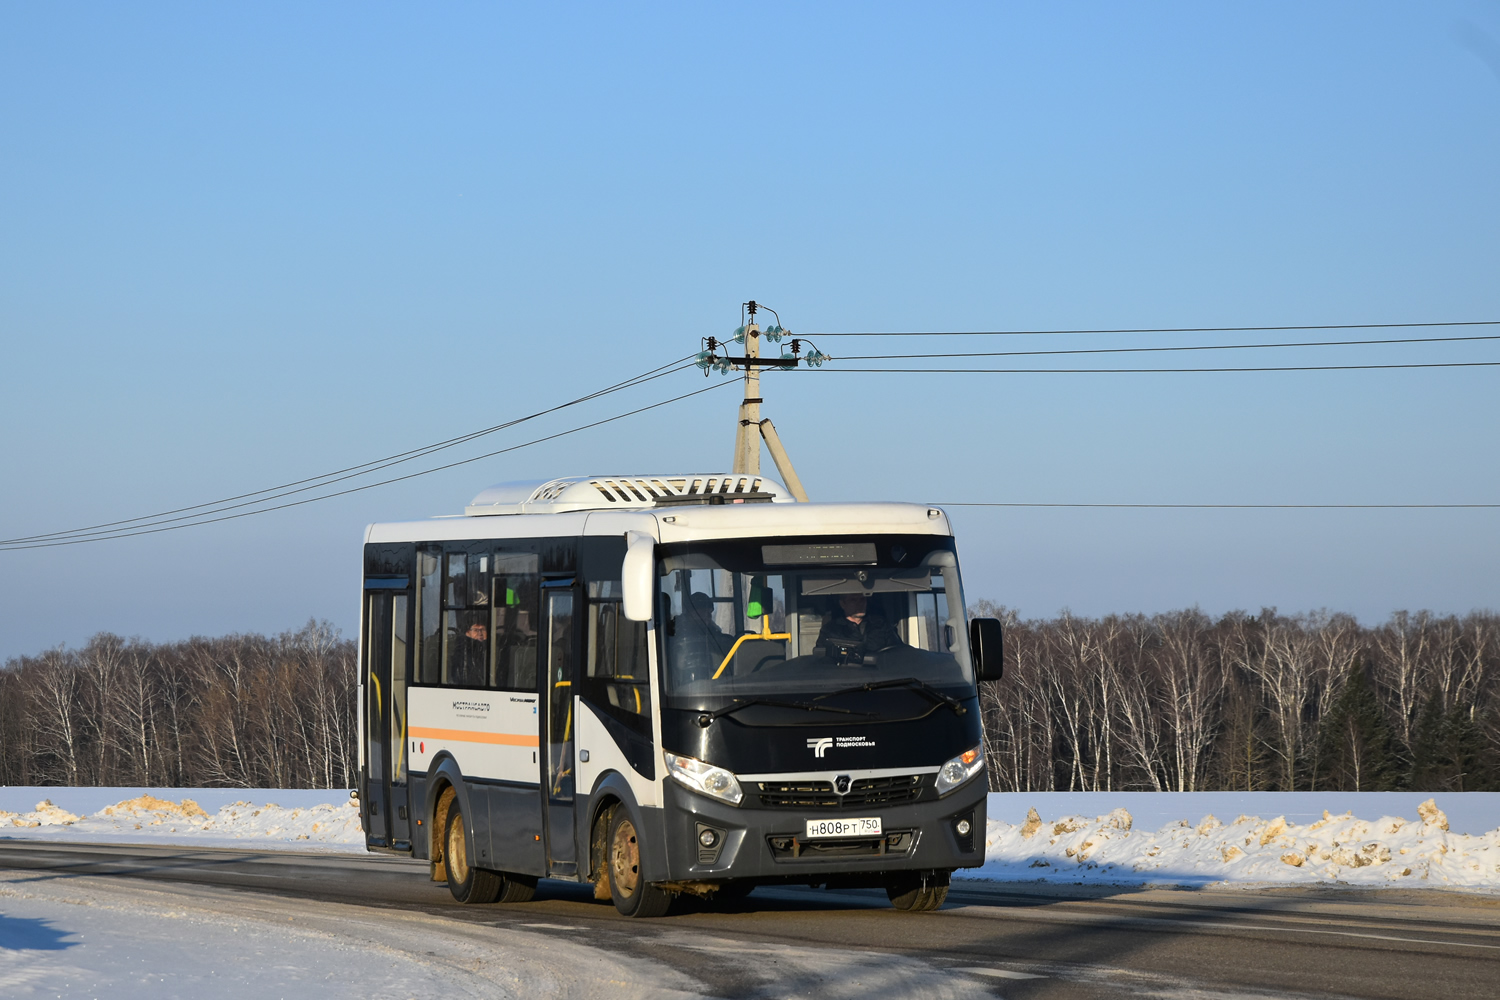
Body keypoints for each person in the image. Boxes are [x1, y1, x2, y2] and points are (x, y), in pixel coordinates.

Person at [817, 593, 903, 665]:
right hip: (844, 680)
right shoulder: (830, 629)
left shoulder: (882, 625)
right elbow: (821, 660)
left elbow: (898, 652)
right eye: (853, 600)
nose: (860, 603)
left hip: (880, 679)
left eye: (862, 599)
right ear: (843, 604)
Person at [669, 591, 733, 684]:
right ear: (691, 612)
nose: (709, 615)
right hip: (684, 684)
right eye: (704, 610)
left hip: (713, 682)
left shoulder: (713, 631)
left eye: (710, 611)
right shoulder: (677, 632)